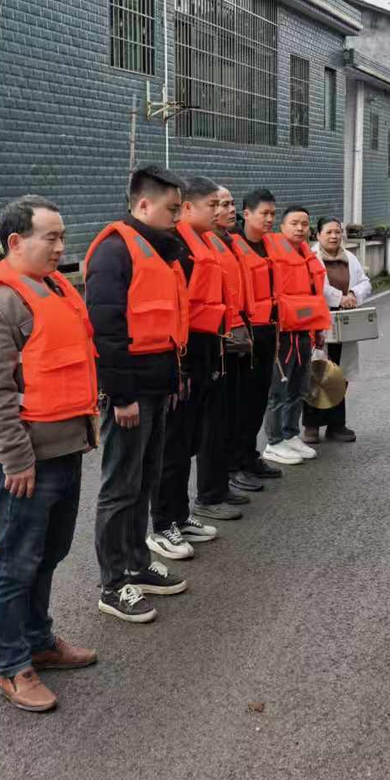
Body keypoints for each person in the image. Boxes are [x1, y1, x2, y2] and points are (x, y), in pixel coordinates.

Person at [0, 195, 98, 713]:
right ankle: (11, 666)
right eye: (51, 238)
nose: (61, 247)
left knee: (49, 554)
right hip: (23, 463)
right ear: (16, 241)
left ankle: (39, 641)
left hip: (66, 449)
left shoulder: (57, 288)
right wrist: (17, 459)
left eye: (63, 237)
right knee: (13, 566)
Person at [85, 165, 192, 625]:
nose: (177, 218)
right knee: (120, 486)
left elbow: (164, 323)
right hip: (130, 392)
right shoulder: (115, 250)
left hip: (157, 385)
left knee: (145, 480)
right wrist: (122, 395)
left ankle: (136, 563)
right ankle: (113, 583)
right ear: (143, 204)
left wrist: (174, 377)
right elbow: (106, 329)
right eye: (172, 209)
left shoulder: (160, 250)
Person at [151, 175, 238, 563]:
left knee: (188, 442)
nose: (219, 212)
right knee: (172, 447)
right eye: (211, 206)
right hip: (183, 361)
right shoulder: (176, 248)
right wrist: (179, 367)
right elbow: (174, 311)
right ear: (187, 208)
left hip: (206, 356)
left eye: (221, 205)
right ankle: (162, 524)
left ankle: (180, 514)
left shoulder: (203, 244)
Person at [264, 205, 331, 463]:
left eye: (304, 224)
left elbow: (316, 297)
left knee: (299, 388)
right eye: (294, 223)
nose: (300, 228)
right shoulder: (271, 252)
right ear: (282, 227)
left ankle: (290, 434)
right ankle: (273, 441)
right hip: (282, 333)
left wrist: (318, 330)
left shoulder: (308, 255)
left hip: (304, 331)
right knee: (277, 390)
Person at [229, 189, 289, 476]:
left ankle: (249, 456)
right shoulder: (232, 246)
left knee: (258, 401)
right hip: (245, 335)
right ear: (246, 214)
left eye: (273, 214)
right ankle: (235, 463)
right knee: (240, 404)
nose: (269, 219)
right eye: (264, 213)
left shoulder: (270, 245)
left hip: (268, 331)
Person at [208, 186, 261, 498]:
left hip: (240, 335)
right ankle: (224, 476)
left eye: (230, 204)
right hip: (222, 341)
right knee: (220, 418)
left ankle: (238, 465)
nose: (231, 210)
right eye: (223, 204)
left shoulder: (229, 241)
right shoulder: (206, 244)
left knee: (241, 408)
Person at [302, 216, 373, 444]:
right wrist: (339, 297)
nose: (334, 236)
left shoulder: (349, 257)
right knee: (317, 371)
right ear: (318, 235)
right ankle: (311, 426)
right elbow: (313, 285)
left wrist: (353, 295)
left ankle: (336, 425)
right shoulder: (310, 257)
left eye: (337, 232)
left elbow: (365, 282)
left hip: (345, 320)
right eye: (328, 232)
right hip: (320, 319)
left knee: (340, 374)